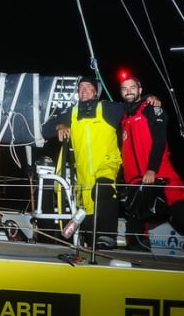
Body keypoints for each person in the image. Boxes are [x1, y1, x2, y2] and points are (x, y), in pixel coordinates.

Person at [118, 73, 184, 252]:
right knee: (136, 220)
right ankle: (137, 255)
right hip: (134, 179)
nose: (129, 91)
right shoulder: (124, 118)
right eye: (125, 89)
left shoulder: (151, 109)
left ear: (140, 90)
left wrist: (152, 169)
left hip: (159, 173)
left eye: (133, 87)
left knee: (182, 212)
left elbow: (159, 140)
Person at [41, 74, 123, 247]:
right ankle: (92, 245)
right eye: (81, 88)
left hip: (107, 164)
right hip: (84, 174)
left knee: (104, 188)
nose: (84, 90)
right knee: (88, 210)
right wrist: (60, 126)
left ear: (96, 92)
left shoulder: (108, 108)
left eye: (88, 87)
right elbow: (46, 130)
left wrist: (148, 99)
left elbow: (133, 107)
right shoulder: (72, 111)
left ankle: (108, 237)